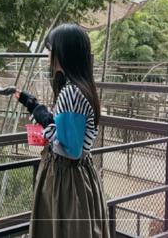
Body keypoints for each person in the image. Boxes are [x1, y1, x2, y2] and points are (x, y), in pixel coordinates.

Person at [14, 23, 110, 237]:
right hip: (79, 175)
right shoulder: (81, 88)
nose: (48, 54)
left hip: (65, 178)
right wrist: (36, 108)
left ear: (63, 52)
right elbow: (71, 135)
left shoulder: (70, 93)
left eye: (51, 49)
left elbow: (70, 150)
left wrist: (44, 120)